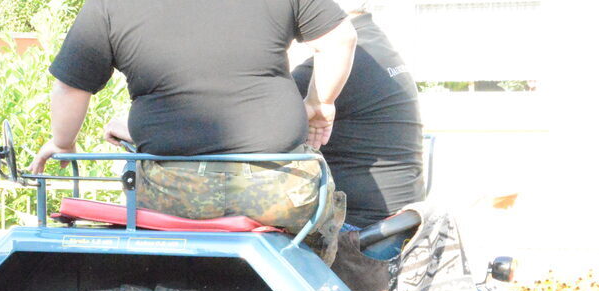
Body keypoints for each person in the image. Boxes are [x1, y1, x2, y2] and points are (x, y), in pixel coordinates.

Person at [30, 0, 357, 242]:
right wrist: (319, 104)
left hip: (173, 193)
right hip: (282, 188)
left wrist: (62, 143)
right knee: (318, 221)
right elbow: (340, 39)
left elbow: (72, 87)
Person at [292, 1, 424, 228]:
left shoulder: (335, 65)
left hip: (358, 226)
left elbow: (254, 120)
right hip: (398, 217)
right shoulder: (373, 43)